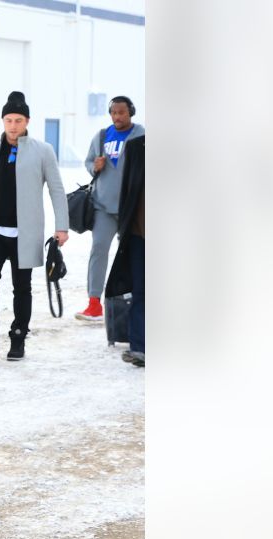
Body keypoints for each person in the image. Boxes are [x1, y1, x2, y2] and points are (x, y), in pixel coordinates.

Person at [0, 91, 69, 362]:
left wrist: (62, 226)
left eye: (19, 120)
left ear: (27, 121)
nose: (13, 125)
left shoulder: (43, 151)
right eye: (9, 120)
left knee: (22, 287)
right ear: (2, 121)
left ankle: (18, 337)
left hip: (24, 233)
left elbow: (56, 188)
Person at [76, 96, 145, 322]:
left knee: (134, 256)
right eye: (113, 113)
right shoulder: (102, 136)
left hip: (131, 209)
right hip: (103, 206)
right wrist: (93, 166)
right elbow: (88, 163)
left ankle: (135, 303)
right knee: (99, 250)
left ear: (131, 113)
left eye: (121, 112)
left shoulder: (142, 135)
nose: (117, 117)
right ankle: (94, 303)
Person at [105, 133, 146, 366]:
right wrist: (124, 228)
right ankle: (139, 346)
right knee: (140, 291)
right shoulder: (136, 147)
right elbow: (127, 191)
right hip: (139, 233)